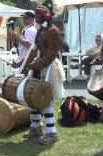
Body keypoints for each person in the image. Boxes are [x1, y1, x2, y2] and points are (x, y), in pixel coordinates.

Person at [23, 0, 65, 145]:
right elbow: (34, 50)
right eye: (36, 15)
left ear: (47, 15)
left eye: (39, 15)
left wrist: (36, 65)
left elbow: (51, 54)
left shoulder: (53, 31)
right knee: (32, 95)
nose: (37, 17)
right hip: (38, 66)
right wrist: (23, 63)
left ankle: (52, 133)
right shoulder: (40, 30)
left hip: (48, 67)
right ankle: (36, 126)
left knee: (45, 97)